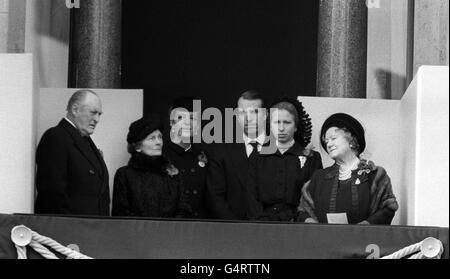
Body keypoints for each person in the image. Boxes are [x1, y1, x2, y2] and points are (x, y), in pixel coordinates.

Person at [297, 113, 398, 225]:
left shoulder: (375, 175)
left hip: (364, 240)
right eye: (326, 141)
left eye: (333, 138)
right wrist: (313, 225)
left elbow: (387, 209)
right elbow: (302, 212)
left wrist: (364, 226)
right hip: (325, 240)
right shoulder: (319, 177)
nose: (329, 144)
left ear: (351, 139)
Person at [246, 97, 323, 221]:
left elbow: (313, 196)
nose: (281, 128)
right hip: (261, 224)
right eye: (277, 122)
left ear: (296, 126)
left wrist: (303, 218)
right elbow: (250, 195)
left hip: (299, 225)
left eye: (287, 123)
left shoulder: (311, 158)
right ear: (270, 126)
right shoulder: (257, 156)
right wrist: (261, 221)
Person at [35, 89, 110, 216]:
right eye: (93, 112)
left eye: (99, 114)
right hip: (69, 229)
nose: (97, 119)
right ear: (75, 110)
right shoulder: (56, 137)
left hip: (92, 229)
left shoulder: (84, 140)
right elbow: (52, 192)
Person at [206, 90, 270, 220]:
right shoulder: (221, 153)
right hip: (231, 232)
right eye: (243, 112)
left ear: (265, 115)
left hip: (272, 231)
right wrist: (236, 228)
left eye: (254, 112)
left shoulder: (280, 151)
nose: (248, 118)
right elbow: (215, 198)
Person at [112, 115, 191, 218]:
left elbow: (183, 210)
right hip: (135, 233)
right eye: (151, 138)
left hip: (170, 233)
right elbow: (121, 215)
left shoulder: (172, 173)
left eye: (159, 137)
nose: (158, 142)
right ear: (138, 147)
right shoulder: (124, 175)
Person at [163, 96, 209, 219]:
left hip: (201, 228)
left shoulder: (204, 154)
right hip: (169, 229)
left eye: (193, 118)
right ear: (171, 121)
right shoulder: (160, 155)